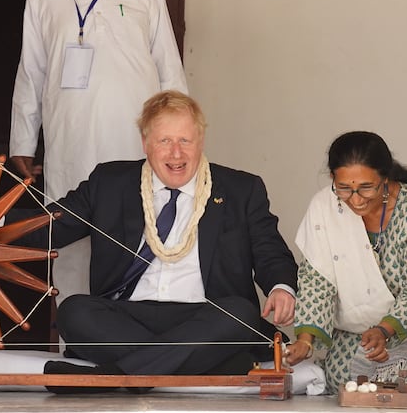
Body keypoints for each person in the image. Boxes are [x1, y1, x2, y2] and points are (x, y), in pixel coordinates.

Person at [17, 90, 297, 392]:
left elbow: (271, 252)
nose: (176, 153)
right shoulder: (110, 183)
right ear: (145, 143)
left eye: (185, 141)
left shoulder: (241, 189)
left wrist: (281, 288)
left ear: (201, 141)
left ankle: (111, 376)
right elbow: (52, 226)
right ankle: (213, 363)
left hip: (204, 315)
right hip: (129, 316)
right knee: (74, 311)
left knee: (240, 314)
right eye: (165, 141)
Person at [9, 0, 188, 309]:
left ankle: (132, 348)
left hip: (135, 141)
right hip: (69, 138)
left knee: (138, 236)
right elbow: (31, 67)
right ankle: (73, 347)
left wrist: (180, 139)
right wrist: (22, 142)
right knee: (69, 240)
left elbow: (167, 62)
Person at [286, 131, 407, 393]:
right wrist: (305, 341)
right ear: (332, 180)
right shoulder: (324, 208)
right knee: (343, 380)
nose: (355, 199)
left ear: (385, 178)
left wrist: (384, 331)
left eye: (366, 187)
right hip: (359, 325)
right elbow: (317, 280)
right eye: (344, 189)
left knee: (405, 384)